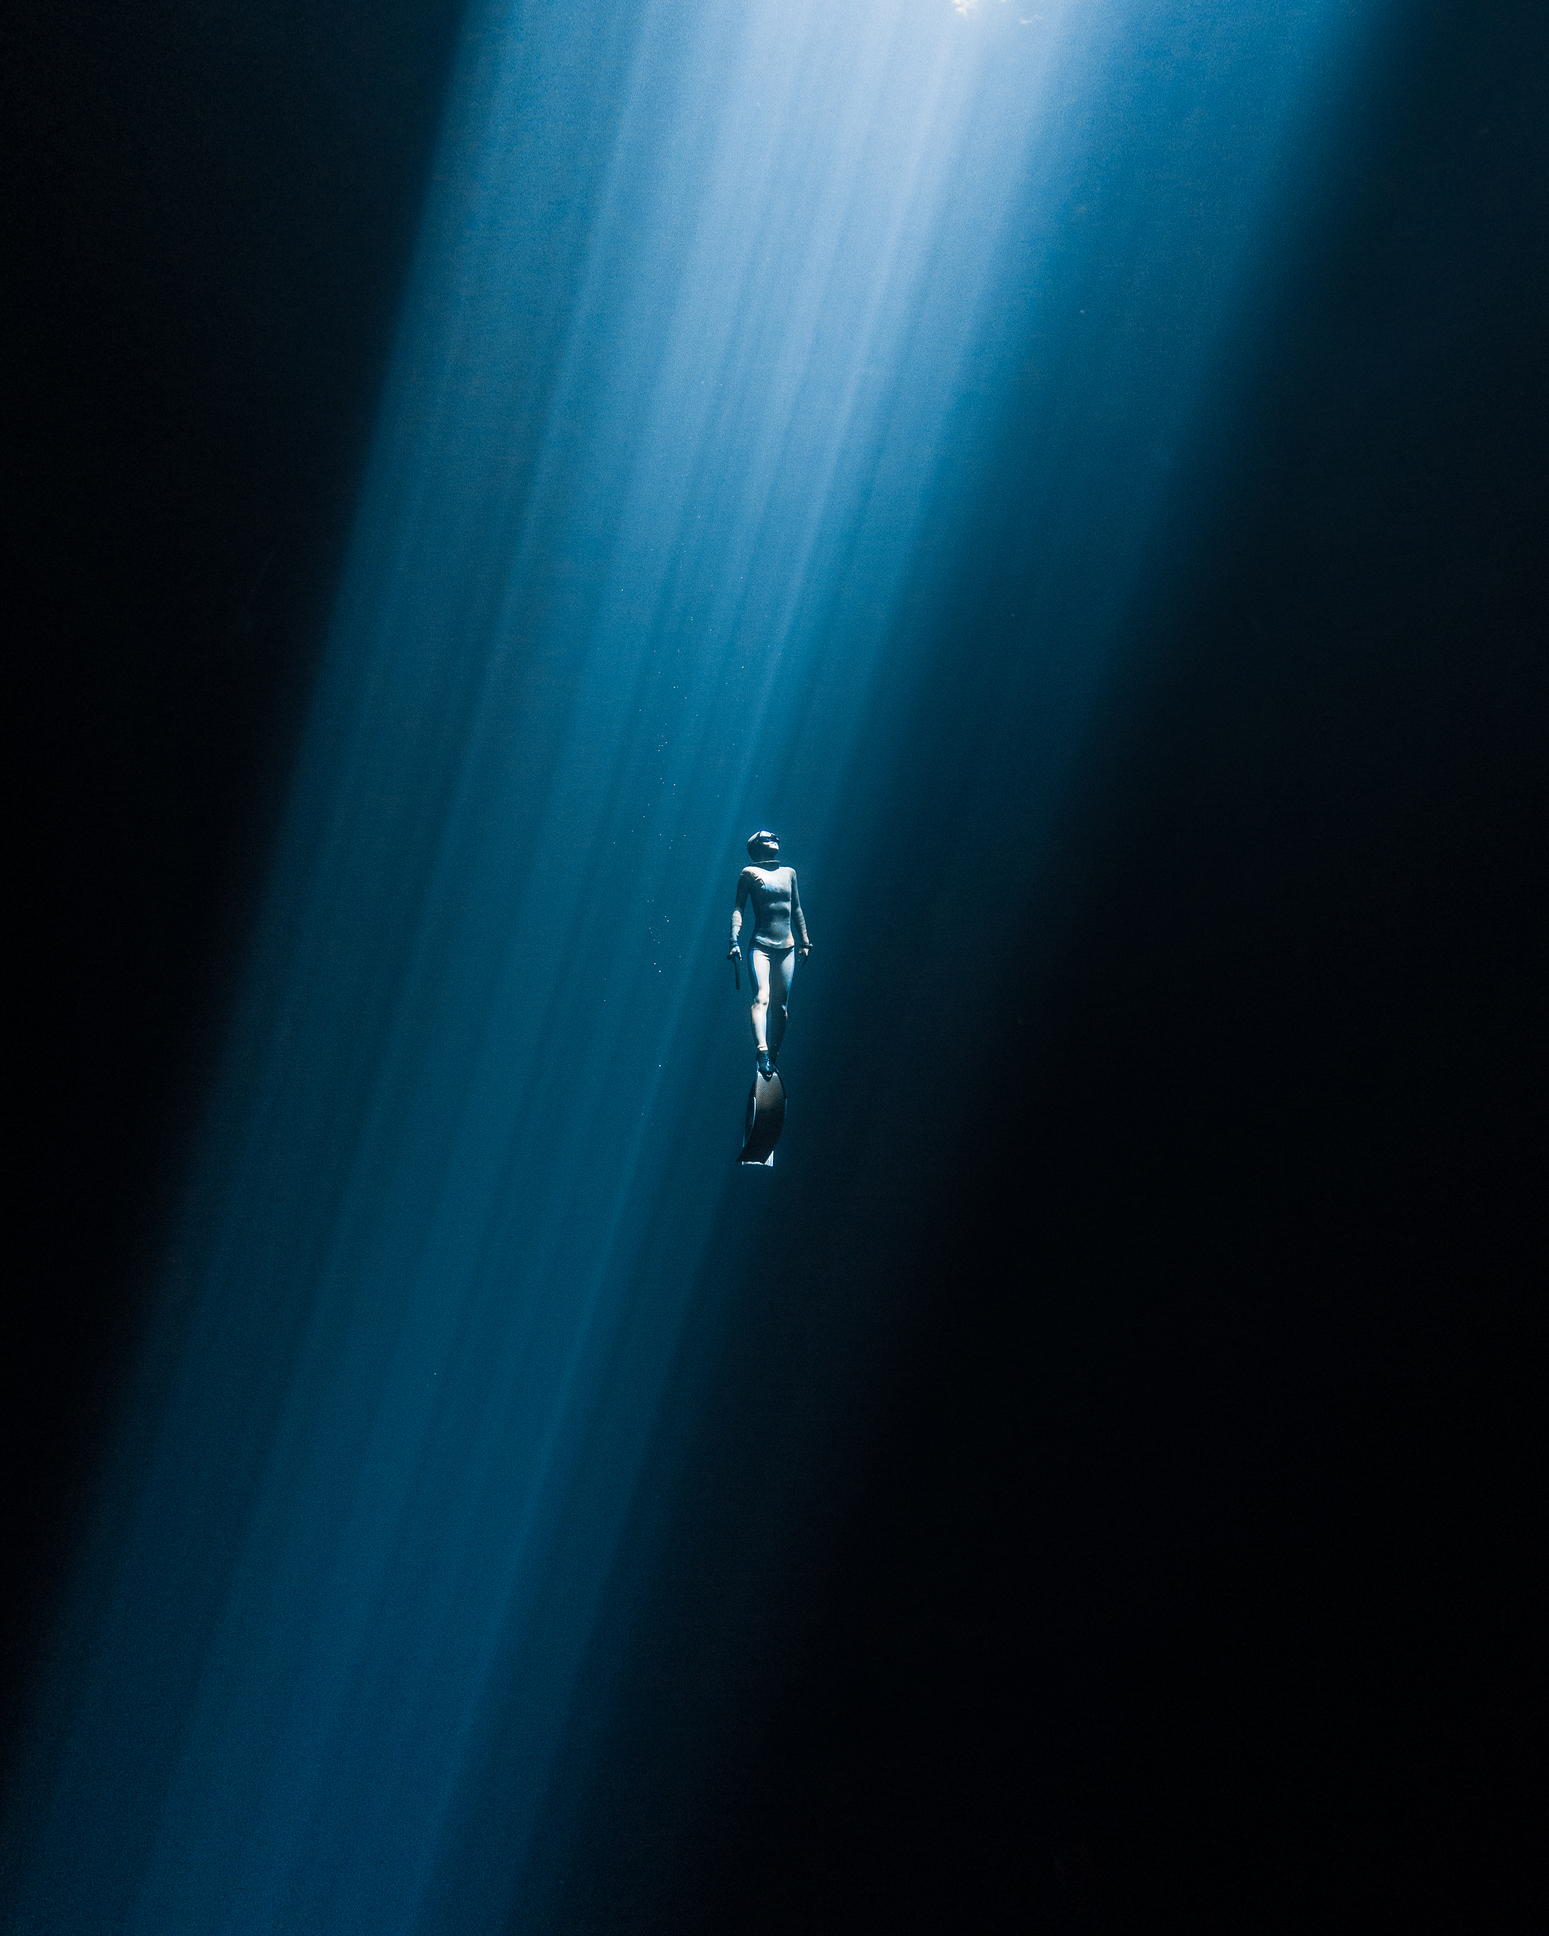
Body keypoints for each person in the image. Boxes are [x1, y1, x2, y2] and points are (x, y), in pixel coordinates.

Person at [728, 831, 812, 1081]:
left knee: (781, 1008)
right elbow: (738, 908)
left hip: (786, 947)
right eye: (767, 837)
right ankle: (762, 1052)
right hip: (761, 946)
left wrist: (805, 941)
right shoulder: (749, 874)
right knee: (762, 998)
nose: (774, 838)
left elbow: (795, 908)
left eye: (774, 836)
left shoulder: (789, 873)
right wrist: (734, 939)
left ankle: (773, 1057)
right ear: (755, 847)